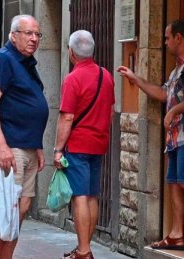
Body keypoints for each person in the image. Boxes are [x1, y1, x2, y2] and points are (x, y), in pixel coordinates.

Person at [117, 20, 184, 251]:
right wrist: (136, 79)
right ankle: (177, 234)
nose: (166, 43)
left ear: (179, 37)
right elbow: (163, 93)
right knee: (175, 182)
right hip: (177, 134)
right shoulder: (178, 67)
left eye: (168, 38)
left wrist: (175, 110)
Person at [0, 15, 50, 259]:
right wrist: (1, 146)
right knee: (7, 209)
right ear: (13, 35)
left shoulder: (26, 62)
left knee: (21, 207)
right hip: (10, 145)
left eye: (37, 34)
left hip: (27, 145)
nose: (34, 39)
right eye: (28, 33)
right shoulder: (3, 59)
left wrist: (38, 144)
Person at [52, 30, 116, 259]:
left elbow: (67, 117)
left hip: (78, 144)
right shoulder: (106, 75)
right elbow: (109, 111)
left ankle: (84, 251)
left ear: (71, 52)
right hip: (98, 144)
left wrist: (58, 149)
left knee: (79, 195)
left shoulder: (73, 79)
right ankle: (84, 247)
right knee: (91, 195)